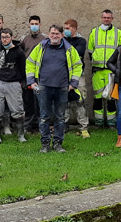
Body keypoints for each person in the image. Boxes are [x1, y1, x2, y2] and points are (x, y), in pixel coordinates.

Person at [26, 25, 83, 153]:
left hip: (62, 87)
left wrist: (73, 83)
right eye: (52, 33)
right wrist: (31, 82)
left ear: (62, 35)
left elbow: (78, 65)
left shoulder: (69, 49)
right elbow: (30, 62)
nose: (54, 36)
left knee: (60, 117)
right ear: (48, 34)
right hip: (44, 87)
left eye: (57, 34)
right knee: (44, 117)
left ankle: (58, 143)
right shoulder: (41, 47)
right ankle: (45, 144)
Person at [0, 28, 27, 144]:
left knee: (18, 110)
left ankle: (21, 135)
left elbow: (23, 68)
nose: (4, 39)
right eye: (2, 37)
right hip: (0, 83)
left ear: (11, 37)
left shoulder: (19, 52)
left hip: (14, 83)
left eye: (7, 37)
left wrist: (22, 81)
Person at [88, 10, 121, 127]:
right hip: (97, 71)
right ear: (101, 18)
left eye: (108, 17)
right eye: (104, 17)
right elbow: (90, 50)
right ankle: (99, 123)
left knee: (111, 98)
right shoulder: (94, 32)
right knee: (97, 97)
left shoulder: (118, 33)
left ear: (112, 18)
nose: (106, 19)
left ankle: (111, 122)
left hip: (111, 71)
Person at [63, 19, 90, 138]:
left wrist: (64, 43)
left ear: (74, 28)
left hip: (78, 75)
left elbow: (76, 52)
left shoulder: (81, 41)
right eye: (64, 28)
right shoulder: (61, 40)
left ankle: (83, 127)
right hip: (64, 75)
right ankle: (63, 125)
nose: (65, 31)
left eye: (68, 28)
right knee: (64, 102)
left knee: (80, 101)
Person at [21, 15, 47, 133]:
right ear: (29, 25)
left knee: (41, 102)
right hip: (28, 74)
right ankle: (28, 125)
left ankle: (41, 125)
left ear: (40, 25)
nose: (34, 26)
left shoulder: (45, 39)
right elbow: (21, 56)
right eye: (32, 24)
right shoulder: (25, 39)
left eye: (36, 24)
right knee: (28, 101)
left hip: (41, 75)